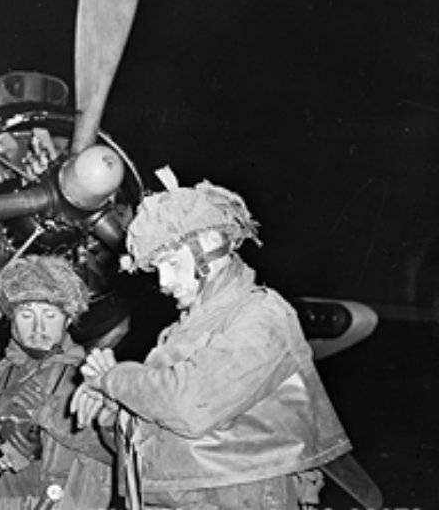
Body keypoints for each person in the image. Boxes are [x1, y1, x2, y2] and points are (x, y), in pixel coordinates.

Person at [72, 172, 352, 509]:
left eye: (171, 263)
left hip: (241, 497)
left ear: (208, 248)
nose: (162, 282)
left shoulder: (262, 315)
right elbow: (149, 445)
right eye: (157, 268)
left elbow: (190, 406)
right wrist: (112, 408)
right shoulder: (182, 333)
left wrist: (114, 379)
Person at [0, 255, 114, 510]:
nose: (38, 327)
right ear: (12, 321)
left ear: (68, 320)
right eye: (26, 315)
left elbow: (128, 452)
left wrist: (49, 415)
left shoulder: (95, 384)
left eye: (49, 315)